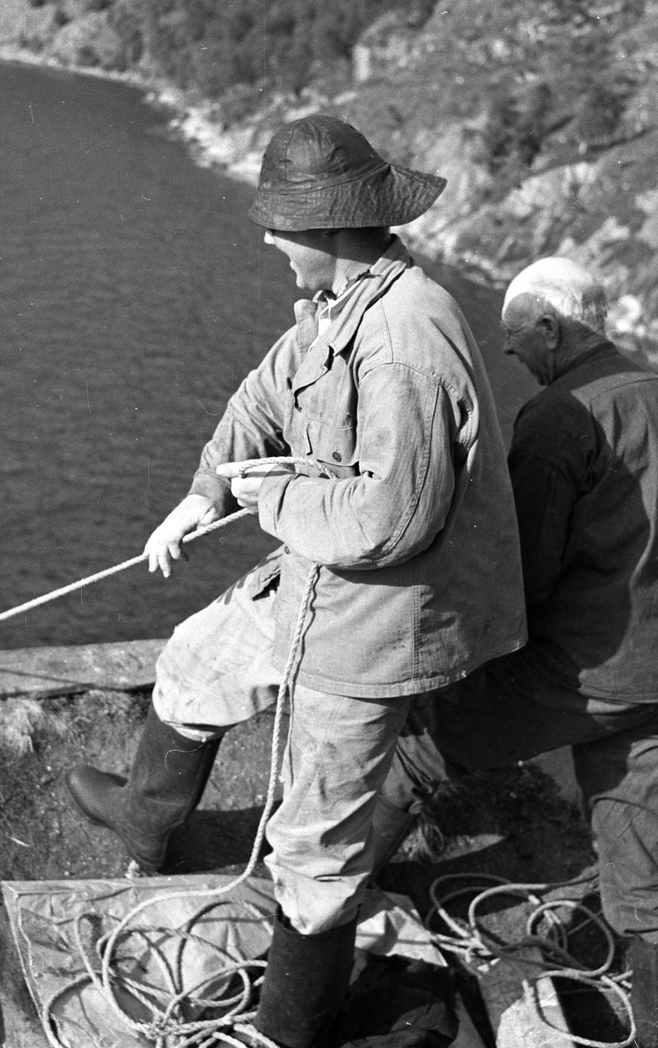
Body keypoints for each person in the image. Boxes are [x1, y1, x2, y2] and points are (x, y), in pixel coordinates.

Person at [66, 114, 526, 1048]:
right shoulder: (339, 309)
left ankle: (291, 1027)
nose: (270, 240)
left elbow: (389, 522)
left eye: (281, 226)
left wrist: (263, 497)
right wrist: (204, 493)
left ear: (324, 231)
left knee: (316, 851)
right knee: (195, 664)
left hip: (374, 626)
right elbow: (265, 397)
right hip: (320, 582)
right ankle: (146, 819)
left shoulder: (404, 340)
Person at [381, 257, 658, 1048]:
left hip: (592, 665)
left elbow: (521, 575)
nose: (512, 358)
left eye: (516, 343)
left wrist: (448, 647)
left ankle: (311, 917)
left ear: (549, 327)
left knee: (419, 746)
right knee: (652, 858)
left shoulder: (558, 416)